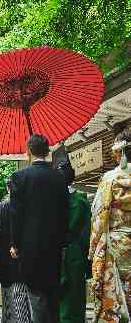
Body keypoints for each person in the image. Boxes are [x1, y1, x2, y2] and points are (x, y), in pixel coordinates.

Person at [10, 134, 68, 323]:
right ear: (47, 151)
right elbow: (64, 213)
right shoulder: (59, 178)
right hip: (54, 247)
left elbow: (16, 214)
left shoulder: (20, 177)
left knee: (35, 295)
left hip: (30, 247)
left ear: (28, 151)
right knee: (52, 296)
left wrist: (15, 244)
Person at [89, 129, 131, 322]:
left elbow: (100, 217)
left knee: (114, 300)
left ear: (120, 153)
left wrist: (93, 248)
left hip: (115, 248)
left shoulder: (109, 179)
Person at [56, 158, 91, 323]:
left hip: (54, 254)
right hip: (76, 253)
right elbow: (87, 233)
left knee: (58, 301)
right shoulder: (81, 201)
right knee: (75, 298)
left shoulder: (51, 201)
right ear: (73, 177)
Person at [0, 180, 31, 323]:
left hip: (4, 259)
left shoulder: (0, 207)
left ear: (7, 188)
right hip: (20, 258)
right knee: (20, 297)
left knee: (7, 298)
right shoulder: (26, 207)